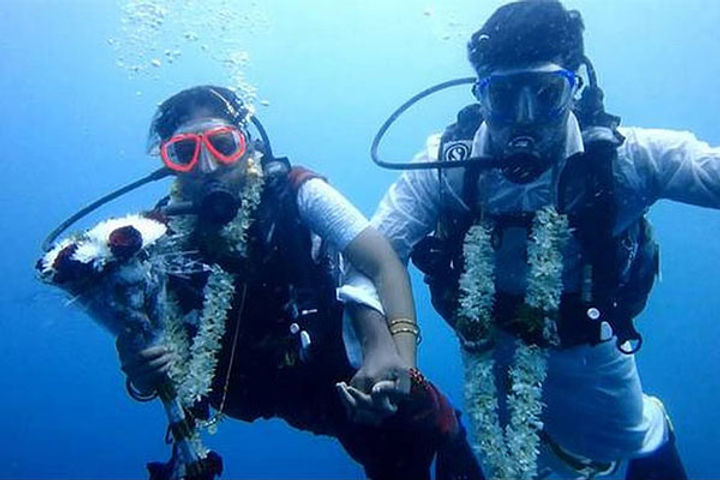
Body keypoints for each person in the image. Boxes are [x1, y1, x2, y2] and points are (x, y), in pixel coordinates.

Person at [346, 0, 718, 478]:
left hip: (587, 344)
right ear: (480, 97)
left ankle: (655, 429)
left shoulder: (623, 161)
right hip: (489, 343)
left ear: (574, 88)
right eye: (502, 97)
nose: (523, 119)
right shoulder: (447, 165)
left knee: (626, 435)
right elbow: (366, 253)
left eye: (546, 93)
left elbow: (704, 166)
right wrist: (380, 345)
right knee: (522, 460)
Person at [115, 85, 483, 480]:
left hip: (338, 372)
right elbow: (142, 335)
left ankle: (446, 427)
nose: (207, 167)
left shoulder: (295, 191)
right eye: (184, 153)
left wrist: (402, 364)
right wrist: (138, 374)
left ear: (249, 146)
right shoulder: (154, 239)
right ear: (168, 164)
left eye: (223, 145)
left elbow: (381, 261)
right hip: (254, 388)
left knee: (398, 446)